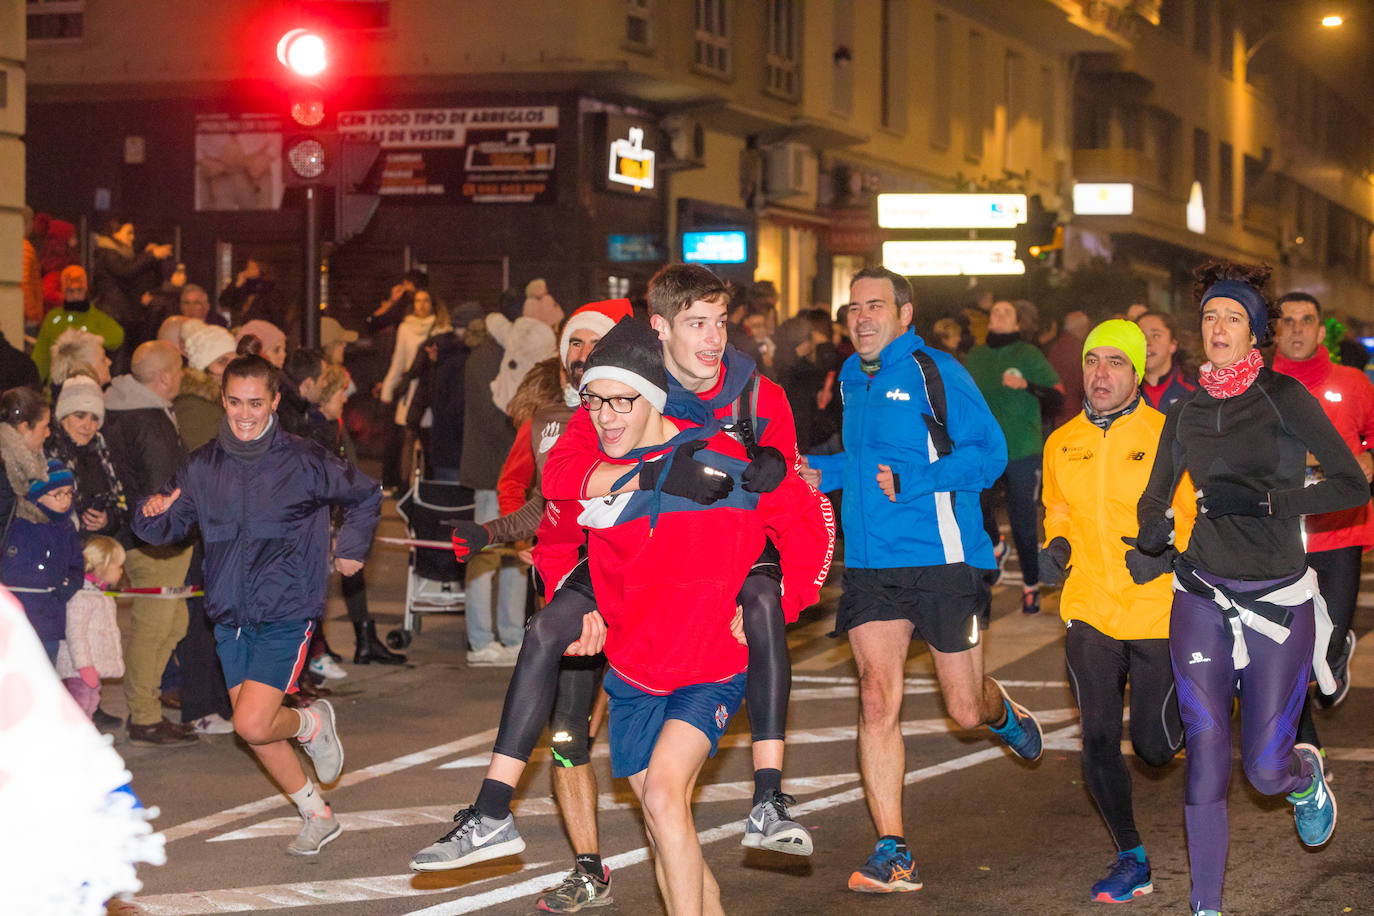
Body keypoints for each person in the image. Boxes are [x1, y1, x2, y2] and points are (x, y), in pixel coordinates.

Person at [412, 318, 827, 911]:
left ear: (653, 398)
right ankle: (491, 811)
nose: (604, 416)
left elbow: (811, 520)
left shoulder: (719, 459)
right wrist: (577, 605)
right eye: (594, 401)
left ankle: (770, 794)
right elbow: (554, 533)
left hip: (710, 664)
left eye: (620, 402)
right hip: (633, 674)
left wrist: (784, 598)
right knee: (666, 829)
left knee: (661, 799)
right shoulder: (596, 473)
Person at [540, 264, 835, 856]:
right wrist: (567, 593)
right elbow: (561, 487)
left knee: (760, 602)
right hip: (632, 597)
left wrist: (791, 590)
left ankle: (768, 791)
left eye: (720, 323)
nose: (713, 337)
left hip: (729, 572)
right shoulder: (623, 393)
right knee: (576, 737)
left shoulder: (757, 396)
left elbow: (800, 504)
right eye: (697, 323)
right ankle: (579, 857)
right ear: (661, 329)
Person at [803, 267, 1043, 894]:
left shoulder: (938, 372)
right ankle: (892, 848)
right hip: (872, 567)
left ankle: (1001, 711)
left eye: (875, 306)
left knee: (963, 710)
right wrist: (813, 473)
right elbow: (859, 465)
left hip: (943, 559)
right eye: (852, 308)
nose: (861, 318)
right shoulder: (854, 378)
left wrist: (917, 482)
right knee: (876, 699)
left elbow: (987, 453)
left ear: (904, 315)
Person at [1134, 261, 1362, 916]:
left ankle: (1304, 777)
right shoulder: (1186, 408)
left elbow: (1353, 485)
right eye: (1209, 316)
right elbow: (1156, 497)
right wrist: (1151, 535)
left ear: (1256, 334)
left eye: (1233, 316)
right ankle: (1207, 907)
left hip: (1279, 602)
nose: (1218, 327)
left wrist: (1268, 502)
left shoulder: (1285, 400)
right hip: (1203, 592)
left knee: (1264, 768)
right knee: (1205, 753)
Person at [133, 350, 381, 856]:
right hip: (229, 612)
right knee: (259, 731)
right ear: (223, 401)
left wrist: (352, 549)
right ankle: (317, 813)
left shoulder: (304, 458)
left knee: (249, 721)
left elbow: (366, 494)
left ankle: (312, 722)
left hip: (287, 607)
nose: (244, 414)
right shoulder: (203, 465)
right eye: (234, 403)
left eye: (255, 403)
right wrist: (151, 513)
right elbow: (169, 526)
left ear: (273, 401)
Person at [439, 298, 628, 910]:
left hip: (636, 595)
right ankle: (590, 867)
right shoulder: (549, 422)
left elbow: (633, 515)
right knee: (570, 737)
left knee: (650, 753)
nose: (579, 355)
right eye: (572, 344)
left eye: (592, 344)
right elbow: (537, 503)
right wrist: (497, 534)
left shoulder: (638, 416)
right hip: (570, 597)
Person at [1040, 320, 1195, 903]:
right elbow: (1058, 506)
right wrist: (1057, 543)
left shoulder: (1167, 433)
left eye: (1116, 363)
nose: (1100, 374)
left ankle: (1211, 691)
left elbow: (1196, 513)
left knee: (1155, 749)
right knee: (1098, 738)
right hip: (1091, 606)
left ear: (1136, 373)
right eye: (1092, 361)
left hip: (1156, 609)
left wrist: (1166, 553)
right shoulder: (1062, 442)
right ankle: (1132, 857)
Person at [1270, 292, 1374, 748]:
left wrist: (1368, 457)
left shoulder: (1353, 382)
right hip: (1279, 534)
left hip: (1341, 528)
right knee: (1287, 647)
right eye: (1286, 321)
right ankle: (1302, 739)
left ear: (1319, 328)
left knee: (1327, 646)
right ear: (1274, 330)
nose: (1295, 329)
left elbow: (1371, 437)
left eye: (1305, 320)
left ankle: (1337, 651)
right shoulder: (1257, 383)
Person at [103, 340, 197, 747]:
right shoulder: (150, 421)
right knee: (153, 628)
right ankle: (144, 716)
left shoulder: (122, 410)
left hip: (142, 536)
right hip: (158, 541)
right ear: (162, 377)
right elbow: (165, 488)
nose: (182, 376)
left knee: (173, 623)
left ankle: (149, 707)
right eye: (178, 369)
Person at [965, 299, 1062, 611]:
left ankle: (1030, 584)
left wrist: (1026, 384)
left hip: (1022, 448)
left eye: (1007, 312)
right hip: (982, 449)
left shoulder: (1028, 354)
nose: (999, 315)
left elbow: (1057, 396)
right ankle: (996, 544)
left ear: (1018, 324)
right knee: (976, 506)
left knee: (1023, 520)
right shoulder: (976, 356)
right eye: (995, 311)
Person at [306, 364, 406, 666]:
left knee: (352, 571)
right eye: (340, 392)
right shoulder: (319, 428)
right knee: (321, 580)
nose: (345, 398)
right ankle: (323, 646)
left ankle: (362, 638)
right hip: (329, 514)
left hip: (342, 511)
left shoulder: (333, 425)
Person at [1, 459, 83, 665]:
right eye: (57, 494)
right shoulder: (23, 526)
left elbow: (76, 563)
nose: (65, 499)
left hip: (51, 621)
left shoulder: (67, 527)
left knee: (47, 673)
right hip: (23, 620)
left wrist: (72, 581)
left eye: (68, 492)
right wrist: (49, 576)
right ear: (38, 496)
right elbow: (13, 570)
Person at [44, 375, 128, 538]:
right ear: (63, 417)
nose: (87, 425)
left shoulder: (102, 452)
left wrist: (107, 520)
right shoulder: (47, 455)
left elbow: (122, 505)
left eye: (94, 418)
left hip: (100, 546)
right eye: (79, 416)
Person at [55, 535, 126, 718]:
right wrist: (84, 666)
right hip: (79, 668)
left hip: (92, 667)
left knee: (91, 703)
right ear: (102, 566)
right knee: (79, 705)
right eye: (118, 566)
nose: (121, 571)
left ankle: (86, 735)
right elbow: (75, 633)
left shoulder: (100, 593)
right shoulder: (82, 595)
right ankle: (76, 740)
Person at [378, 289, 437, 492]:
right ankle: (404, 486)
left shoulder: (437, 327)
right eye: (418, 301)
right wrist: (388, 388)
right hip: (410, 392)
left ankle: (427, 486)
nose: (421, 305)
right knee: (407, 440)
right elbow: (398, 360)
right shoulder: (405, 328)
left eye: (426, 300)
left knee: (428, 442)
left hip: (428, 392)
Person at [91, 218, 172, 353]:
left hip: (123, 314)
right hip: (113, 314)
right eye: (128, 233)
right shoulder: (108, 254)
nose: (132, 237)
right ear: (114, 233)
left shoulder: (123, 254)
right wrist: (152, 255)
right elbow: (126, 271)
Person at [32, 266, 124, 383]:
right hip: (58, 385)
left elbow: (118, 337)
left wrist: (92, 339)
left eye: (79, 290)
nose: (75, 295)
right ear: (63, 292)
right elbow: (41, 355)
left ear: (85, 290)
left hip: (90, 383)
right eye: (70, 291)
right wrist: (34, 383)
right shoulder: (53, 318)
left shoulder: (96, 317)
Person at [175, 323, 238, 450]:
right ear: (202, 368)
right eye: (222, 362)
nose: (232, 369)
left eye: (235, 362)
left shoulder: (219, 400)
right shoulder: (193, 408)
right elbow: (204, 463)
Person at [1135, 310, 1197, 411]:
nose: (1147, 343)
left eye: (1155, 335)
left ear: (1173, 345)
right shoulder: (1126, 391)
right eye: (1141, 337)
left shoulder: (1194, 387)